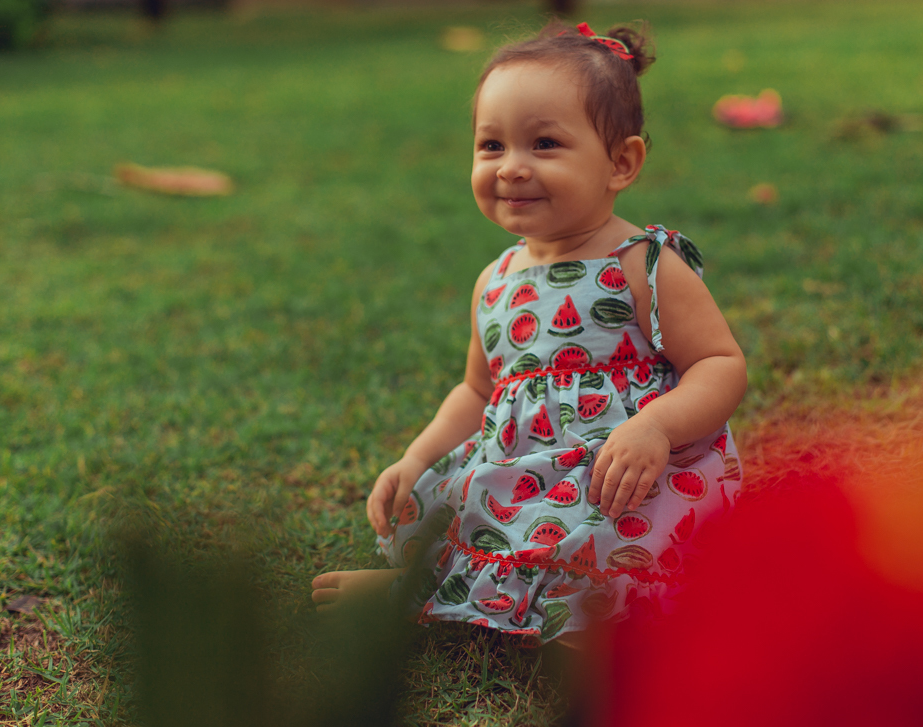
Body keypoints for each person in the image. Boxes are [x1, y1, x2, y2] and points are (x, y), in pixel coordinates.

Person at [312, 21, 747, 644]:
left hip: (623, 473)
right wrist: (417, 457)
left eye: (544, 144)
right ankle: (425, 589)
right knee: (474, 512)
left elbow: (720, 363)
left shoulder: (643, 263)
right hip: (520, 470)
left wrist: (656, 426)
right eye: (492, 146)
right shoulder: (494, 280)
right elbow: (476, 392)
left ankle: (553, 608)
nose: (512, 168)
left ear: (620, 162)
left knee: (607, 536)